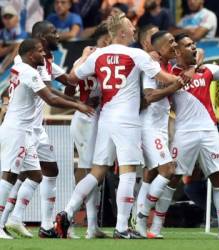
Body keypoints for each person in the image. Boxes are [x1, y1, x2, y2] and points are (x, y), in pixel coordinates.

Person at [54, 12, 183, 239]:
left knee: (97, 171)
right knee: (128, 173)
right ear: (122, 32)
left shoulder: (99, 55)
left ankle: (67, 211)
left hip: (105, 118)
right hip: (127, 121)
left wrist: (84, 56)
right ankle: (122, 227)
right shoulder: (135, 54)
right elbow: (162, 75)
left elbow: (73, 77)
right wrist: (180, 79)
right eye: (131, 27)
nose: (134, 30)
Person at [149, 31, 219, 239]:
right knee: (173, 179)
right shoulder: (170, 73)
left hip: (209, 131)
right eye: (188, 45)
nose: (194, 47)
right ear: (177, 50)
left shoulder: (207, 70)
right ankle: (156, 226)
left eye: (194, 44)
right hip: (184, 132)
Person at [0, 38, 94, 239]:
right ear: (30, 54)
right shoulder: (29, 71)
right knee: (9, 174)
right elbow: (50, 98)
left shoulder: (20, 66)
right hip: (17, 130)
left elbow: (55, 90)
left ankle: (14, 218)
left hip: (25, 131)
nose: (44, 54)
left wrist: (77, 101)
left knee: (35, 175)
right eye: (40, 51)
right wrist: (79, 105)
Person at [64, 21, 111, 239]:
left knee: (96, 171)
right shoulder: (90, 57)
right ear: (108, 38)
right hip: (86, 118)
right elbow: (69, 84)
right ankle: (68, 220)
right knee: (86, 169)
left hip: (100, 118)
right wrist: (83, 57)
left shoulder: (109, 58)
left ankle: (92, 226)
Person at [136, 30, 184, 238]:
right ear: (158, 48)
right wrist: (174, 86)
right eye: (170, 42)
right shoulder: (152, 67)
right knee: (168, 169)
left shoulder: (165, 66)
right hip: (149, 126)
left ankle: (138, 221)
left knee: (152, 172)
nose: (174, 45)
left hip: (160, 126)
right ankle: (140, 216)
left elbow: (197, 54)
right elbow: (149, 95)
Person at [0, 5, 28, 74]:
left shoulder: (21, 32)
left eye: (10, 17)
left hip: (19, 61)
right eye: (5, 17)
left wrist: (9, 48)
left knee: (18, 46)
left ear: (17, 18)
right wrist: (12, 46)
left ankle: (3, 68)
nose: (8, 20)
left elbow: (17, 49)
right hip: (4, 59)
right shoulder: (1, 32)